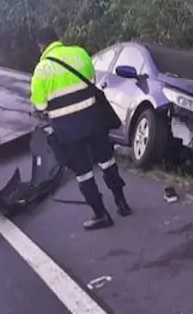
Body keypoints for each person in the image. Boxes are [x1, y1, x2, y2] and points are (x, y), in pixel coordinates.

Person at [29, 27, 131, 231]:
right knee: (107, 161)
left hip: (68, 131)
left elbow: (39, 106)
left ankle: (101, 215)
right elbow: (91, 82)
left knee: (84, 173)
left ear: (41, 46)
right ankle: (122, 203)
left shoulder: (41, 70)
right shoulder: (80, 53)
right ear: (58, 39)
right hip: (94, 121)